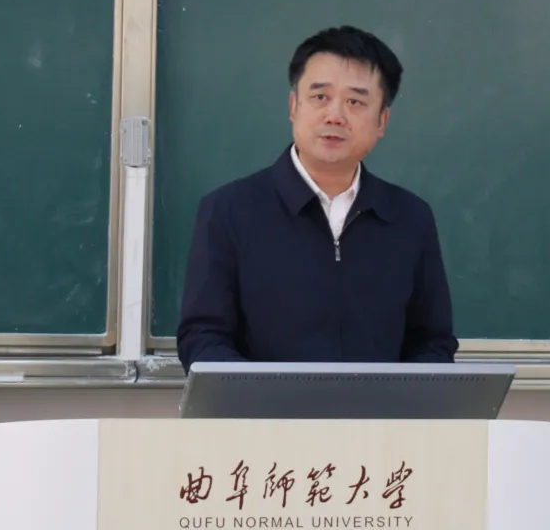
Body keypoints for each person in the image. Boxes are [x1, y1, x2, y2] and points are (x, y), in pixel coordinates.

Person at [176, 25, 459, 372]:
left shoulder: (410, 218)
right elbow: (203, 337)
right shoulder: (228, 210)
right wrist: (259, 394)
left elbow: (432, 343)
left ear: (382, 121)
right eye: (320, 97)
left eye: (355, 102)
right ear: (294, 106)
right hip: (263, 407)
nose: (335, 116)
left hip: (381, 409)